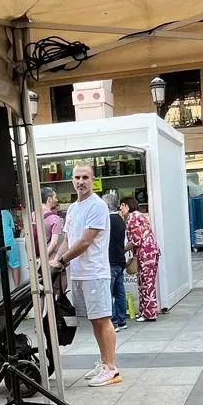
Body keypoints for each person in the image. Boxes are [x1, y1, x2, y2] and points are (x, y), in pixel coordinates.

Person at [53, 165, 119, 386]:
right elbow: (68, 240)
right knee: (94, 320)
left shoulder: (97, 206)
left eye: (85, 177)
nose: (81, 181)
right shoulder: (72, 208)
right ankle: (104, 362)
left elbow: (85, 241)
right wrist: (55, 261)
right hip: (79, 274)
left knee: (103, 319)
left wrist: (62, 261)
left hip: (95, 272)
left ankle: (111, 368)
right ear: (72, 181)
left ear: (93, 180)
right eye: (77, 178)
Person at [121, 197, 161, 323]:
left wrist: (122, 250)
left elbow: (136, 240)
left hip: (145, 253)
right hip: (150, 252)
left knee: (146, 283)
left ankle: (149, 313)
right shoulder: (139, 215)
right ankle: (145, 311)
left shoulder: (132, 218)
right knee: (145, 281)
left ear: (126, 205)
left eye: (121, 206)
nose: (120, 209)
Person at [105, 192, 129, 331]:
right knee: (120, 292)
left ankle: (113, 321)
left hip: (110, 260)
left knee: (108, 292)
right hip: (120, 259)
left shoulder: (107, 220)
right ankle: (121, 319)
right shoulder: (120, 220)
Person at [0, 206, 24, 288]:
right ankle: (17, 288)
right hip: (9, 242)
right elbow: (13, 229)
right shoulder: (7, 212)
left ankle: (5, 290)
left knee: (0, 268)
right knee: (15, 265)